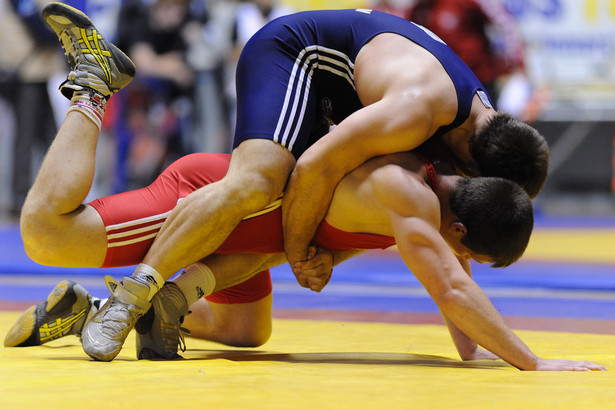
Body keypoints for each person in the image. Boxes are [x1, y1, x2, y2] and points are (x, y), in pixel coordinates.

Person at [12, 53, 604, 371]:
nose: (462, 260)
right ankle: (92, 86)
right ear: (457, 229)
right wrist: (531, 361)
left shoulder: (431, 206)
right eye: (468, 249)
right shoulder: (408, 192)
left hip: (246, 240)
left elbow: (458, 287)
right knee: (46, 236)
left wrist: (476, 350)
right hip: (211, 198)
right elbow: (452, 289)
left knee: (248, 333)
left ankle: (87, 307)